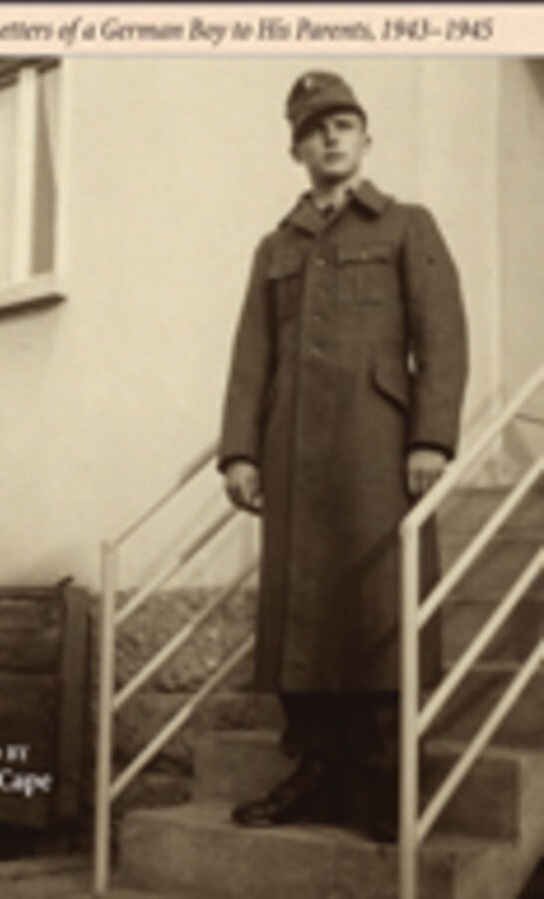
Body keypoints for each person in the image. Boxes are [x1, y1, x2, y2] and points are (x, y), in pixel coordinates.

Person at [218, 70, 468, 841]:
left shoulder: (405, 226)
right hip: (292, 455)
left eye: (343, 124)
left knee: (378, 609)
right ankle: (316, 771)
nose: (329, 137)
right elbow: (250, 357)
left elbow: (442, 338)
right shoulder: (275, 247)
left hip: (375, 450)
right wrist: (239, 452)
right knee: (301, 616)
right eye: (313, 129)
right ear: (295, 149)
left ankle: (384, 781)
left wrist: (428, 438)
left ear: (364, 139)